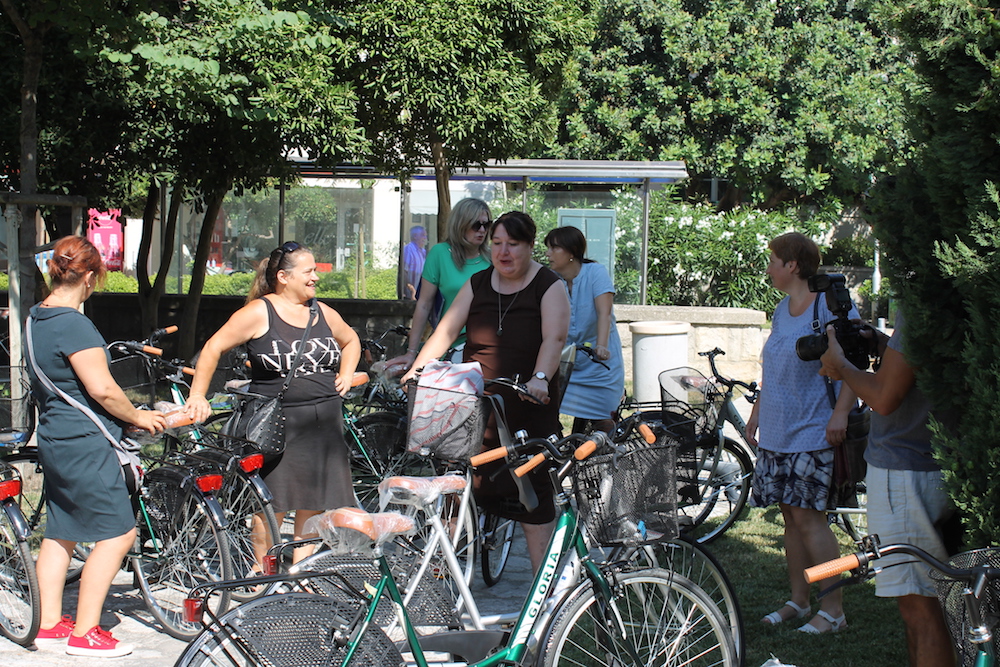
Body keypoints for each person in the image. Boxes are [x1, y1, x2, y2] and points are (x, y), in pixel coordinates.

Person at [403, 211, 570, 571]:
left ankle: (545, 591)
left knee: (533, 501)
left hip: (526, 406)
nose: (503, 252)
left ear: (530, 246)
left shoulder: (548, 285)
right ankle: (444, 578)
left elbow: (554, 339)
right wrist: (419, 367)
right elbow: (447, 330)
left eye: (513, 244)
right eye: (497, 243)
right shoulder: (478, 283)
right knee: (454, 489)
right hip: (474, 408)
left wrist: (540, 378)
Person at [27, 236, 167, 657]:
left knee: (61, 530)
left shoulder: (37, 316)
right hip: (85, 442)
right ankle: (86, 632)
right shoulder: (74, 324)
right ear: (89, 276)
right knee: (119, 534)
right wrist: (138, 415)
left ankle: (48, 623)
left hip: (55, 436)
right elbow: (103, 389)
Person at [185, 241, 361, 564]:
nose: (315, 277)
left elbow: (351, 340)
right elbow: (212, 347)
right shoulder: (259, 312)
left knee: (314, 502)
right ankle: (263, 572)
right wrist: (197, 394)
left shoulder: (321, 312)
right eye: (308, 272)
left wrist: (347, 374)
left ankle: (298, 571)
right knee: (271, 505)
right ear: (283, 277)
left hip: (324, 424)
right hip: (277, 425)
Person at [820, 309, 956, 666]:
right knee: (930, 606)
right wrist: (881, 343)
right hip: (932, 466)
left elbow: (883, 397)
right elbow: (917, 366)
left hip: (907, 473)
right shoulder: (945, 297)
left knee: (921, 609)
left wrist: (841, 367)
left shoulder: (923, 301)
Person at [745, 232, 857, 634]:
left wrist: (841, 413)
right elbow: (773, 368)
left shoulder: (831, 304)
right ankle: (799, 600)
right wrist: (757, 412)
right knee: (791, 518)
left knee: (811, 520)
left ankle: (834, 610)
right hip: (778, 432)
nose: (768, 268)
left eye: (773, 261)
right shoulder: (781, 309)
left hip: (814, 430)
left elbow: (854, 362)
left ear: (792, 265)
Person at [387, 198, 491, 370]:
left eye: (486, 225)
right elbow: (424, 305)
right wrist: (411, 352)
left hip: (485, 348)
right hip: (449, 346)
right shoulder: (440, 253)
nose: (482, 230)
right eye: (476, 225)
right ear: (460, 224)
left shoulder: (494, 259)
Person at [543, 226, 624, 432]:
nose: (548, 254)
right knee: (546, 413)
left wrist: (602, 346)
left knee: (604, 424)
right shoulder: (551, 280)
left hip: (601, 366)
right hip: (568, 365)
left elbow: (604, 314)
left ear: (571, 252)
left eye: (554, 248)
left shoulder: (596, 272)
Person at [402, 225, 428, 300]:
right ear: (415, 236)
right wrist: (412, 290)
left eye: (426, 236)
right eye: (423, 235)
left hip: (420, 297)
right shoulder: (408, 250)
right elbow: (403, 272)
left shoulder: (423, 252)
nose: (425, 238)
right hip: (410, 297)